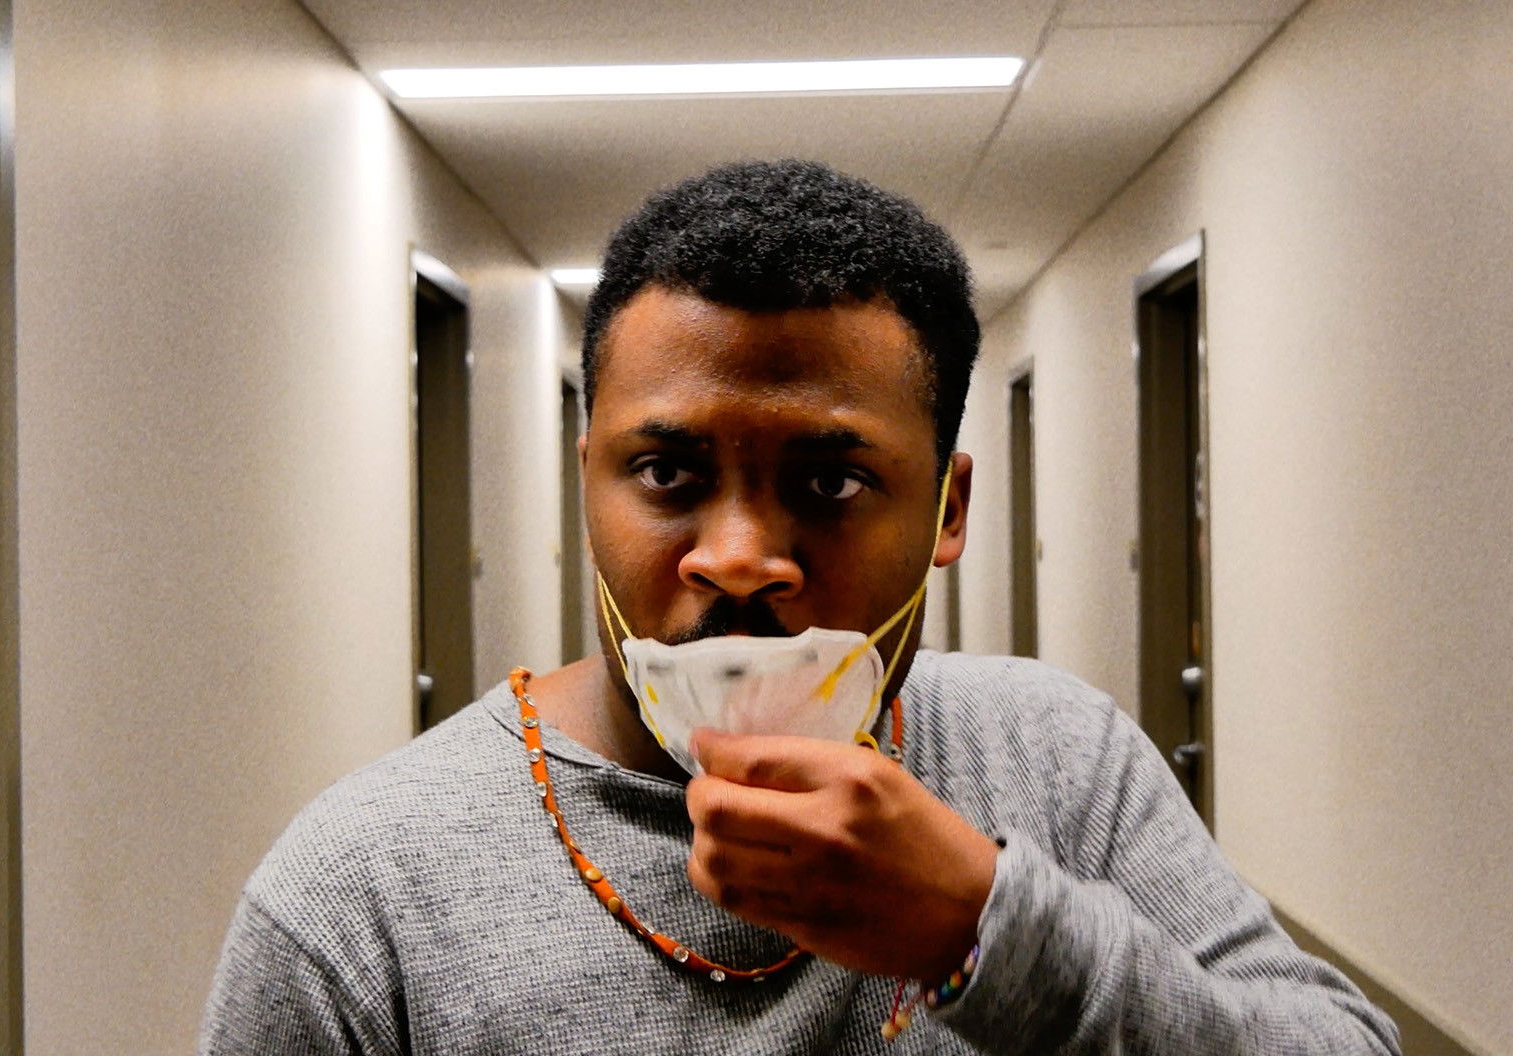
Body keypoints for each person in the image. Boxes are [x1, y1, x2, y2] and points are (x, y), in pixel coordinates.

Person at [199, 160, 1400, 1055]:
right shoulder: (360, 894)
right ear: (586, 485)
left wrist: (982, 930)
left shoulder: (1055, 763)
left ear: (946, 510)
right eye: (666, 473)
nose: (738, 560)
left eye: (830, 484)